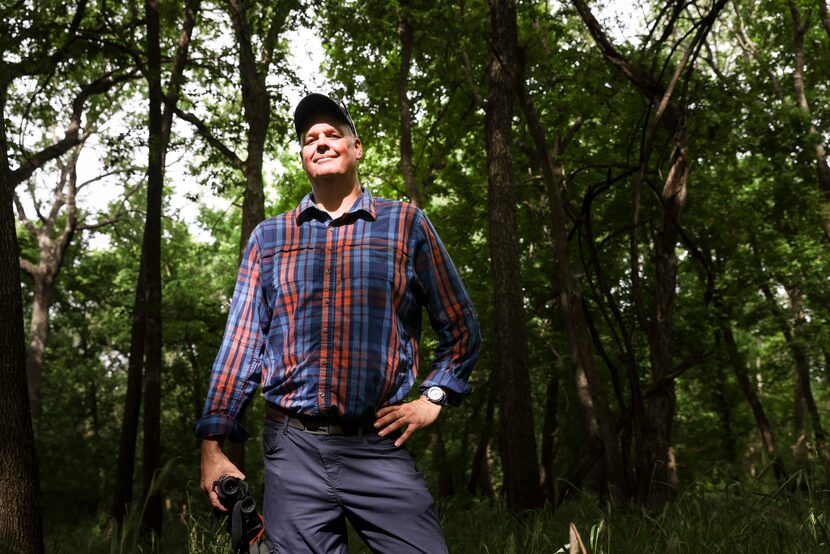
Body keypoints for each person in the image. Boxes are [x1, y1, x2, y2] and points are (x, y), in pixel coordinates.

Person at [195, 92, 481, 553]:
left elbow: (461, 327)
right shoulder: (269, 238)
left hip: (376, 443)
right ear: (303, 157)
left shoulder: (406, 223)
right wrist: (212, 447)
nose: (322, 143)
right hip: (292, 449)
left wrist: (435, 397)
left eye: (333, 134)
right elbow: (241, 346)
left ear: (356, 147)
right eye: (310, 138)